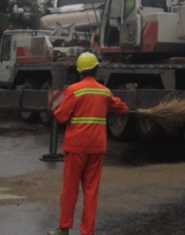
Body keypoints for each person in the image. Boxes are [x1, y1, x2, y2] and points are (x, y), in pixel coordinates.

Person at [50, 52, 129, 235]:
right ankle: (87, 232)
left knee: (70, 191)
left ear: (80, 71)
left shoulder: (74, 90)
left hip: (76, 147)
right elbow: (120, 107)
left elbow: (61, 117)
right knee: (91, 193)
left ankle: (64, 229)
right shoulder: (104, 91)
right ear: (96, 70)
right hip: (97, 148)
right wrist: (125, 109)